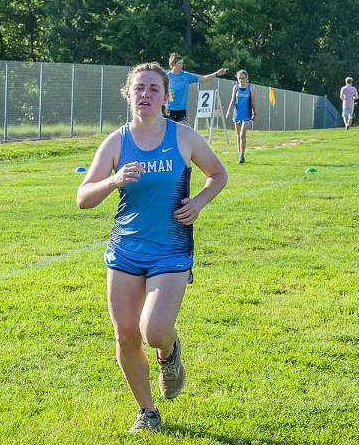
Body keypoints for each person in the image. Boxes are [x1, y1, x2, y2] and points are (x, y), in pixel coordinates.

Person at [76, 62, 228, 434]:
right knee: (125, 334)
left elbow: (218, 174)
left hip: (171, 249)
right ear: (127, 95)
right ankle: (147, 412)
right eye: (139, 88)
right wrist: (112, 180)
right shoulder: (116, 142)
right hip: (125, 249)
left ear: (166, 96)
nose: (145, 95)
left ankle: (169, 352)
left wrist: (200, 202)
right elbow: (83, 198)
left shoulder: (184, 137)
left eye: (153, 89)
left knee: (154, 330)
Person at [166, 52, 227, 123]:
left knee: (181, 132)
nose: (181, 65)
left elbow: (203, 78)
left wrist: (216, 74)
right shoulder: (167, 76)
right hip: (169, 109)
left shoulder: (186, 75)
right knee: (168, 131)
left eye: (182, 63)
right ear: (173, 63)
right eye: (179, 63)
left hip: (181, 109)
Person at [225, 70, 256, 164]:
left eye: (243, 78)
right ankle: (240, 155)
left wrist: (255, 113)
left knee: (242, 134)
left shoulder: (250, 88)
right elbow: (233, 100)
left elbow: (253, 102)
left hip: (247, 115)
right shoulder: (235, 88)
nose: (241, 80)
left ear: (247, 78)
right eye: (239, 78)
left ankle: (242, 154)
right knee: (238, 136)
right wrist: (228, 111)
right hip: (237, 114)